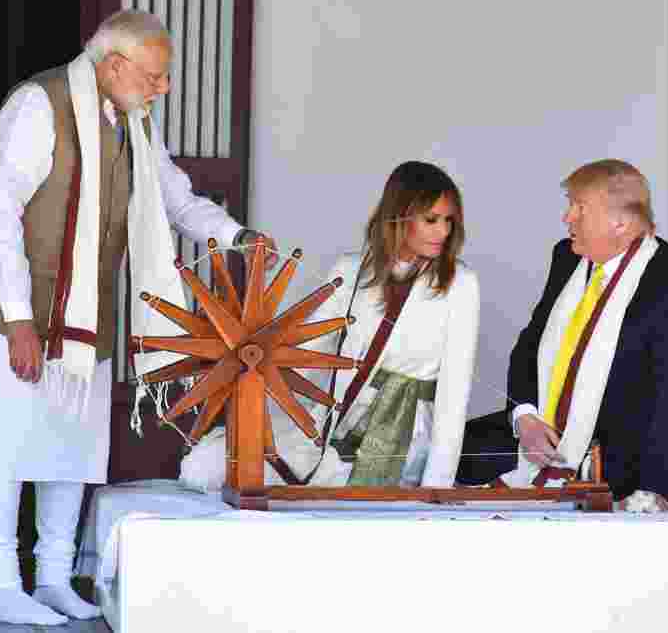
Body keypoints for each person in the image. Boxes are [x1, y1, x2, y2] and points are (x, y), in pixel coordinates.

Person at [0, 10, 274, 626]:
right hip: (7, 307)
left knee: (68, 444)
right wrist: (20, 319)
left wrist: (235, 234)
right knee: (3, 447)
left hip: (84, 317)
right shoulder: (39, 104)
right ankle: (0, 583)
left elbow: (176, 199)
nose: (163, 89)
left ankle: (53, 578)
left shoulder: (134, 123)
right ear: (114, 66)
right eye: (156, 77)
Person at [179, 160, 479, 490]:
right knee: (201, 468)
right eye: (431, 220)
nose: (443, 232)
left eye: (449, 221)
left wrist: (437, 488)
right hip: (328, 427)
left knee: (348, 509)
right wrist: (240, 362)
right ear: (399, 215)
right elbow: (301, 355)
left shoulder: (460, 284)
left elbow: (454, 396)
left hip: (397, 441)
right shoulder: (350, 272)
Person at [456, 159, 668, 511]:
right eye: (570, 205)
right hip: (539, 444)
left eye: (580, 207)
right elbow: (530, 347)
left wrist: (654, 491)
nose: (567, 217)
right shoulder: (567, 258)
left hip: (620, 467)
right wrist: (525, 417)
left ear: (620, 222)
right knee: (447, 452)